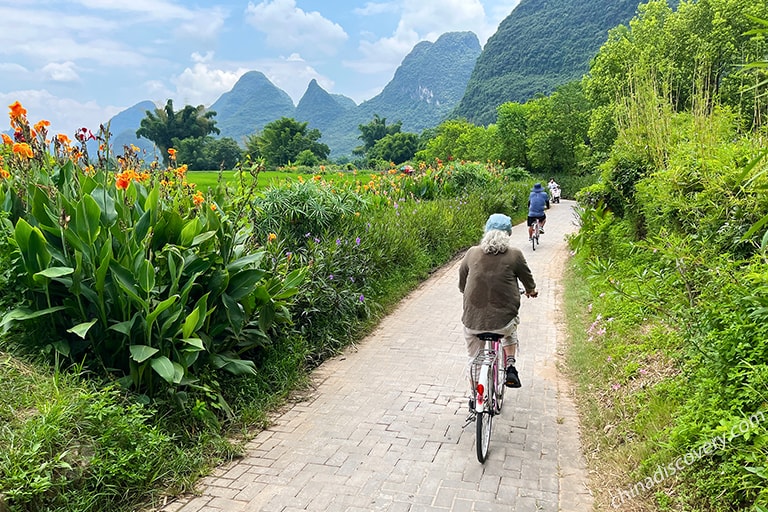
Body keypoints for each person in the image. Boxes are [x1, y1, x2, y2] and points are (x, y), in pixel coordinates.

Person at [458, 213, 538, 406]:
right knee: (511, 327)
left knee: (474, 358)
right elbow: (528, 281)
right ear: (508, 234)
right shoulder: (515, 255)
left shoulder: (472, 253)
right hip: (503, 323)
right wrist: (531, 291)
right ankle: (510, 363)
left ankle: (474, 397)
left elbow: (462, 283)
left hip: (473, 322)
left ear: (486, 232)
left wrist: (467, 291)